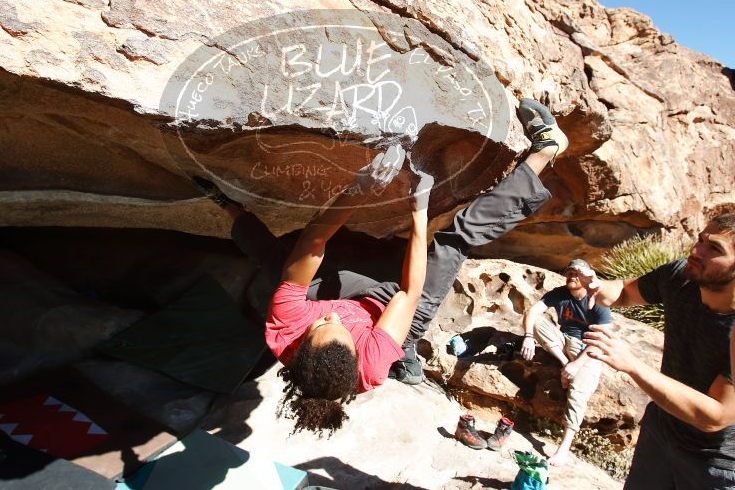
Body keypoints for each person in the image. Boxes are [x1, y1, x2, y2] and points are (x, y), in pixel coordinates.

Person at [199, 98, 569, 434]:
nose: (333, 319)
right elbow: (410, 290)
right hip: (390, 312)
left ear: (301, 346)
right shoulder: (371, 364)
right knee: (456, 239)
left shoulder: (285, 329)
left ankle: (227, 206)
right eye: (341, 330)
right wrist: (419, 212)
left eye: (321, 324)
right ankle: (547, 149)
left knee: (279, 263)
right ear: (356, 352)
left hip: (348, 298)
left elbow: (313, 243)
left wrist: (358, 189)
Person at [578, 212, 735, 489]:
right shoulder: (682, 276)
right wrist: (597, 288)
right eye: (700, 240)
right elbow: (625, 292)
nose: (696, 251)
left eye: (714, 249)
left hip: (715, 464)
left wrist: (631, 364)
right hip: (661, 433)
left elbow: (716, 417)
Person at [520, 258, 612, 465]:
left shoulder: (597, 300)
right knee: (537, 321)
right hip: (564, 344)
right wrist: (528, 336)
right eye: (570, 272)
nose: (572, 276)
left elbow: (600, 340)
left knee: (578, 394)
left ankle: (563, 448)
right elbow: (533, 311)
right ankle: (563, 364)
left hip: (587, 349)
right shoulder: (560, 293)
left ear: (587, 276)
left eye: (578, 273)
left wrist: (576, 365)